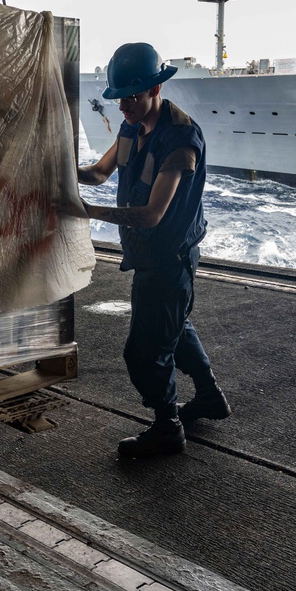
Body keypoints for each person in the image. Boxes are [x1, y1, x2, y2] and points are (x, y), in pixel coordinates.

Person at [76, 42, 231, 459]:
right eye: (120, 98)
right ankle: (210, 397)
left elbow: (152, 215)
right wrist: (59, 174)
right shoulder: (131, 126)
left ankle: (167, 427)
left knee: (144, 351)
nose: (124, 106)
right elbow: (99, 172)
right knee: (175, 327)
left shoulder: (180, 140)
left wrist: (86, 212)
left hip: (168, 258)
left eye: (132, 96)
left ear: (155, 89)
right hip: (150, 256)